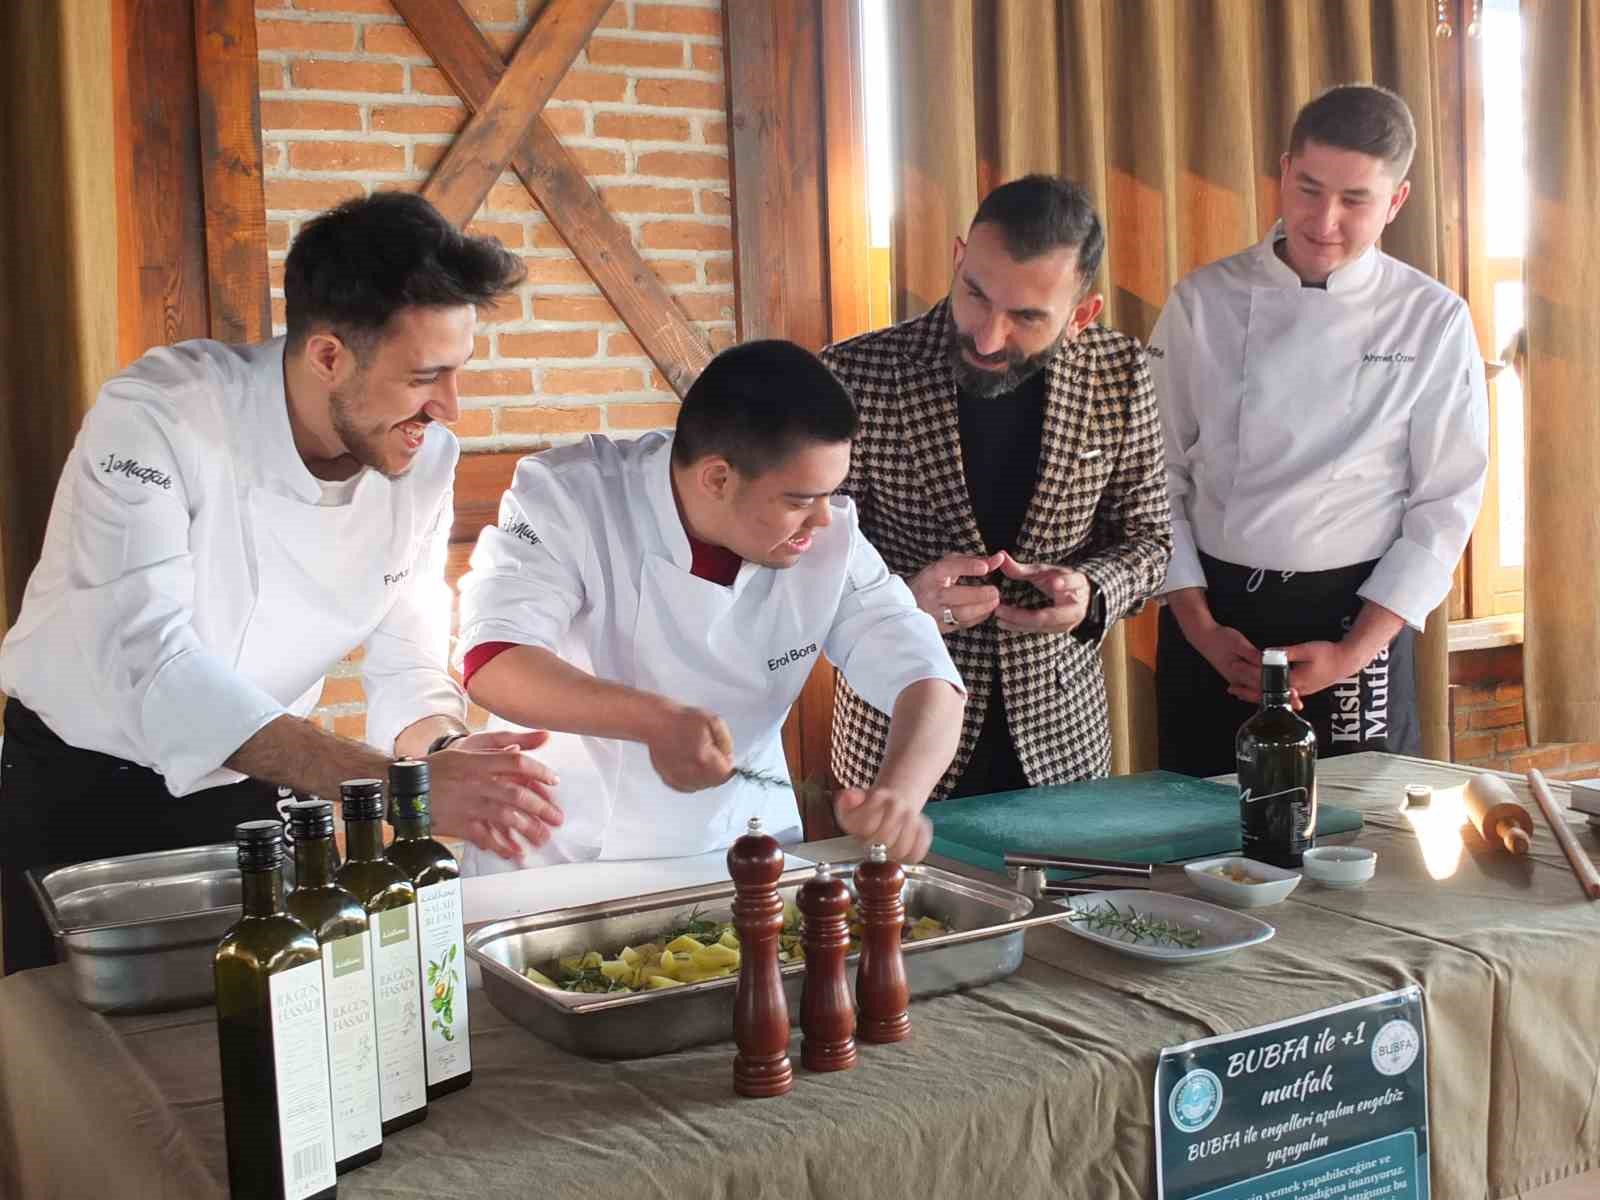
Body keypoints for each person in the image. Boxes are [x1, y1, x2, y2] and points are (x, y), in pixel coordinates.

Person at [0, 193, 562, 974]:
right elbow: (151, 666)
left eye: (457, 373)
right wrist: (406, 788)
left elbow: (406, 659)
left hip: (257, 794)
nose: (449, 408)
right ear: (329, 355)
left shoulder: (423, 460)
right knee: (74, 1070)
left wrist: (450, 750)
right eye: (425, 376)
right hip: (86, 797)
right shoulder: (160, 416)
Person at [456, 339, 966, 871]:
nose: (822, 519)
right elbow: (494, 660)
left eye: (829, 493)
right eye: (798, 501)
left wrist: (901, 796)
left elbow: (927, 676)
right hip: (558, 856)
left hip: (739, 852)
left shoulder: (827, 535)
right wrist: (653, 719)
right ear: (718, 478)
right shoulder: (571, 496)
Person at [1149, 84, 1489, 777]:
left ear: (1395, 202)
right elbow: (1155, 477)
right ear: (1282, 172)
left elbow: (1444, 504)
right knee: (1199, 835)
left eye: (1355, 200)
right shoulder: (1201, 303)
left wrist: (1353, 653)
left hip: (1349, 622)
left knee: (1356, 836)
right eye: (1308, 189)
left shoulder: (1432, 318)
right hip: (1214, 618)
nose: (1324, 219)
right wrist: (1199, 627)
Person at [819, 175, 1172, 800]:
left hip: (1060, 740)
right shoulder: (853, 374)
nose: (987, 337)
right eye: (975, 295)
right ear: (959, 259)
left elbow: (1148, 539)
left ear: (1080, 316)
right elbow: (811, 553)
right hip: (895, 739)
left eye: (1026, 318)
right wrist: (898, 604)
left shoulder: (1120, 371)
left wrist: (1090, 593)